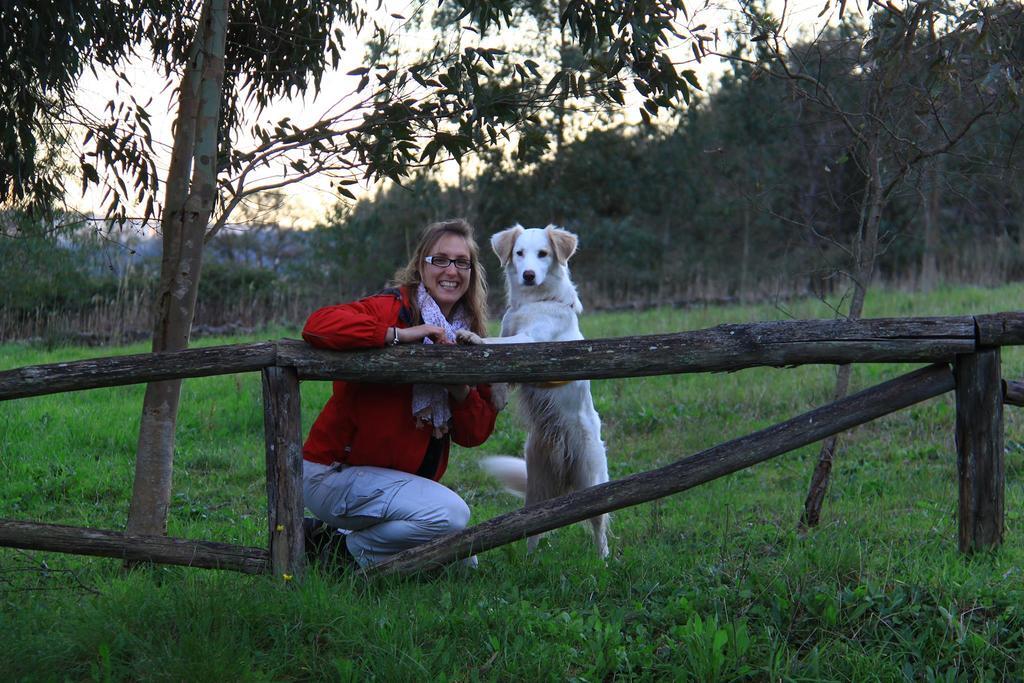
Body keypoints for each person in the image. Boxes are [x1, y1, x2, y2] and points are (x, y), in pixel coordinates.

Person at [300, 218, 499, 569]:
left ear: (472, 270)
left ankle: (351, 539)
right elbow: (318, 325)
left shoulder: (466, 331)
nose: (451, 270)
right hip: (334, 473)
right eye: (440, 259)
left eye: (461, 262)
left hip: (394, 483)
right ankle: (335, 552)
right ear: (421, 264)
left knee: (463, 562)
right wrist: (400, 336)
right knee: (451, 515)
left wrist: (459, 389)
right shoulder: (394, 309)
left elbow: (474, 434)